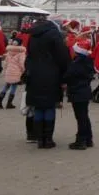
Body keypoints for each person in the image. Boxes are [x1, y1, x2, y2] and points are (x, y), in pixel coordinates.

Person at [25, 17, 70, 149]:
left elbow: (29, 55)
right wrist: (65, 74)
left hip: (35, 75)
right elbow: (62, 57)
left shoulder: (32, 36)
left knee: (38, 106)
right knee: (50, 106)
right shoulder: (54, 34)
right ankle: (48, 139)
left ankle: (39, 139)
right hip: (52, 74)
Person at [64, 40, 96, 150]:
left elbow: (68, 76)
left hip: (77, 92)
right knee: (84, 116)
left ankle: (81, 141)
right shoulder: (88, 62)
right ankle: (88, 139)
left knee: (81, 117)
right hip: (85, 91)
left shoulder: (76, 64)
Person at [0, 38, 26, 109]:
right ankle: (9, 103)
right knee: (14, 87)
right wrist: (24, 71)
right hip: (16, 72)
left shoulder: (9, 52)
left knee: (6, 86)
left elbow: (6, 62)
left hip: (9, 70)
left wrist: (6, 69)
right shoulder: (21, 53)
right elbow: (22, 64)